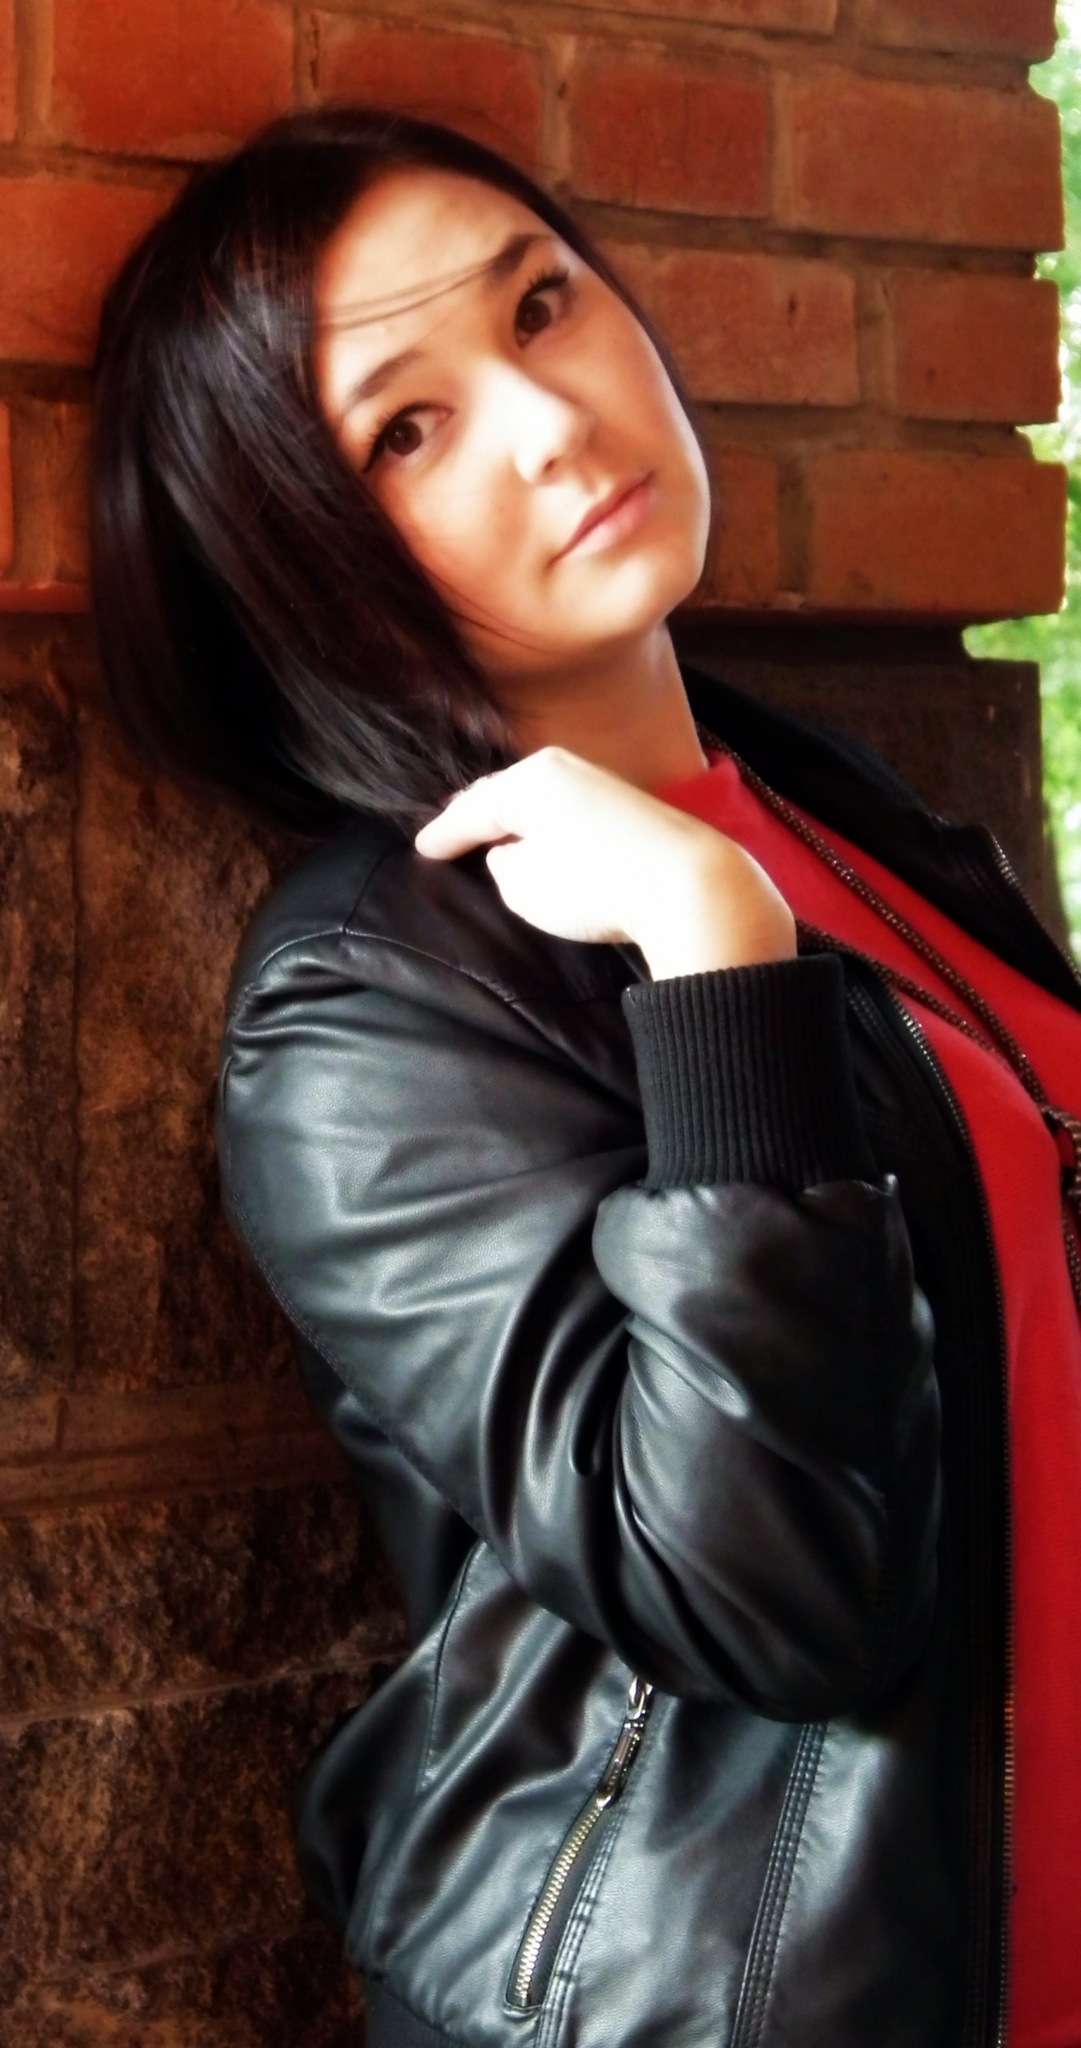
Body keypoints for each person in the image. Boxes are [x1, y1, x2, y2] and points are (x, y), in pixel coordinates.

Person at [89, 105, 1081, 2048]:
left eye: (540, 305)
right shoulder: (369, 993)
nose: (548, 420)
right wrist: (714, 972)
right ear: (301, 556)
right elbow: (772, 1596)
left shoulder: (829, 804)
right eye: (406, 428)